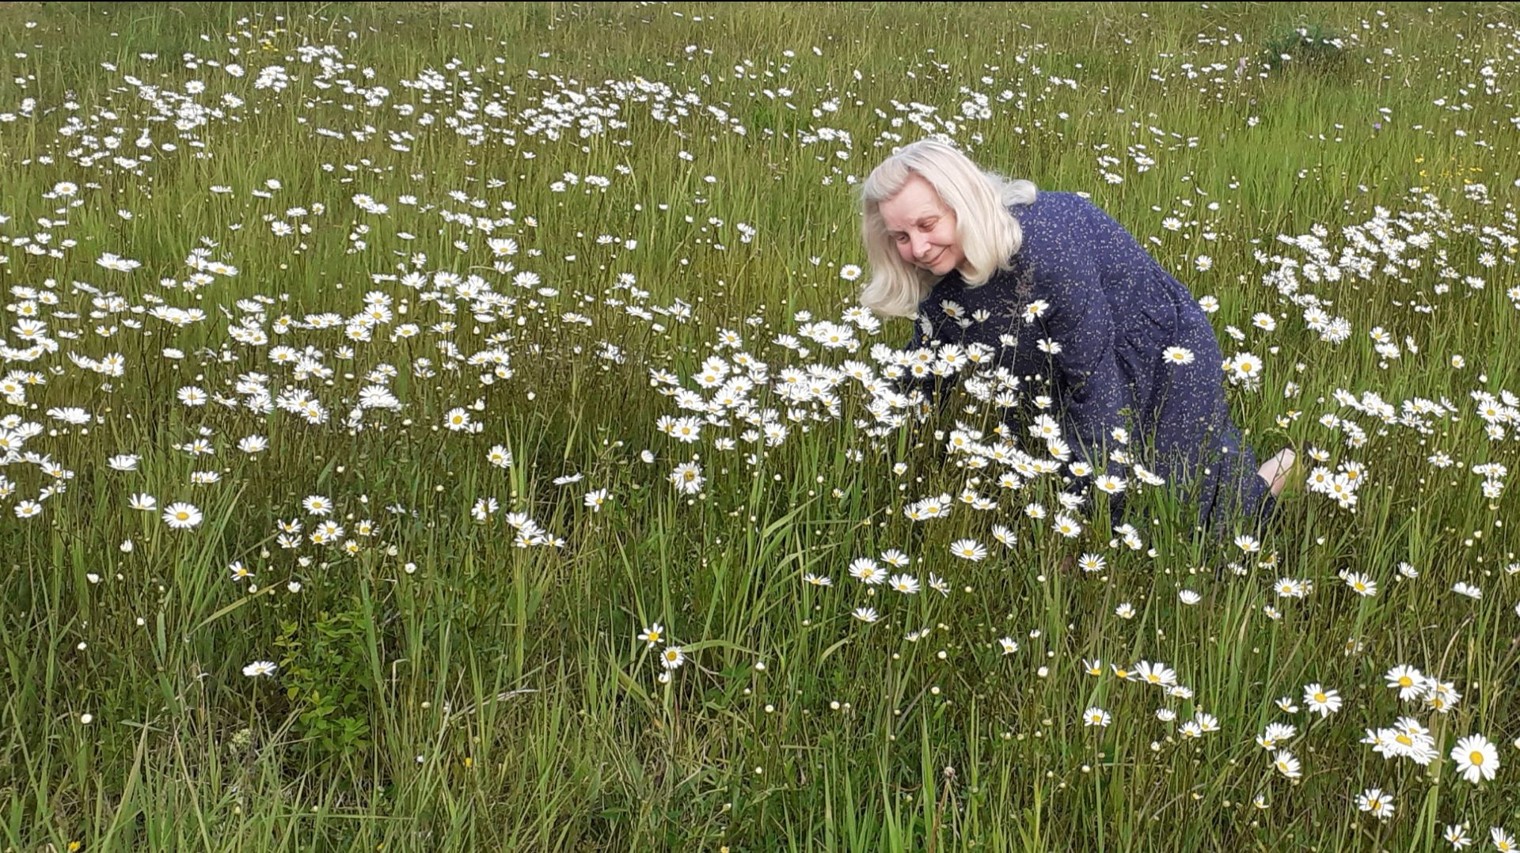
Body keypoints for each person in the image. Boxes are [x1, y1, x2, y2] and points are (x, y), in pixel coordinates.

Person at [857, 138, 1294, 530]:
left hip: (1160, 351)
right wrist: (869, 431)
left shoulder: (1046, 247)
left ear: (963, 203)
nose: (916, 248)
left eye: (927, 224)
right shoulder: (944, 279)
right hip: (1066, 356)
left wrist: (1088, 518)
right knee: (1055, 476)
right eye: (900, 236)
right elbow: (923, 368)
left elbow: (1094, 382)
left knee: (1178, 518)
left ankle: (1279, 472)